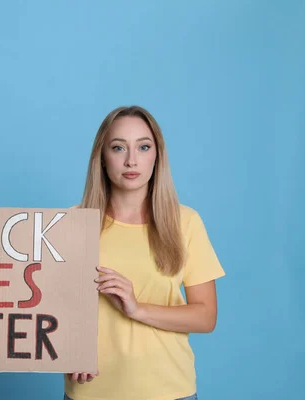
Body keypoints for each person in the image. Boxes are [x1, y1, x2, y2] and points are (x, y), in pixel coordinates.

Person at [65, 106, 225, 400]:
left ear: (157, 155)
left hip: (169, 389)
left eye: (143, 147)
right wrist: (66, 351)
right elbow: (49, 306)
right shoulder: (72, 222)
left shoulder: (185, 222)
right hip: (90, 391)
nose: (131, 160)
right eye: (118, 148)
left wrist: (137, 309)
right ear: (101, 157)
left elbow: (206, 317)